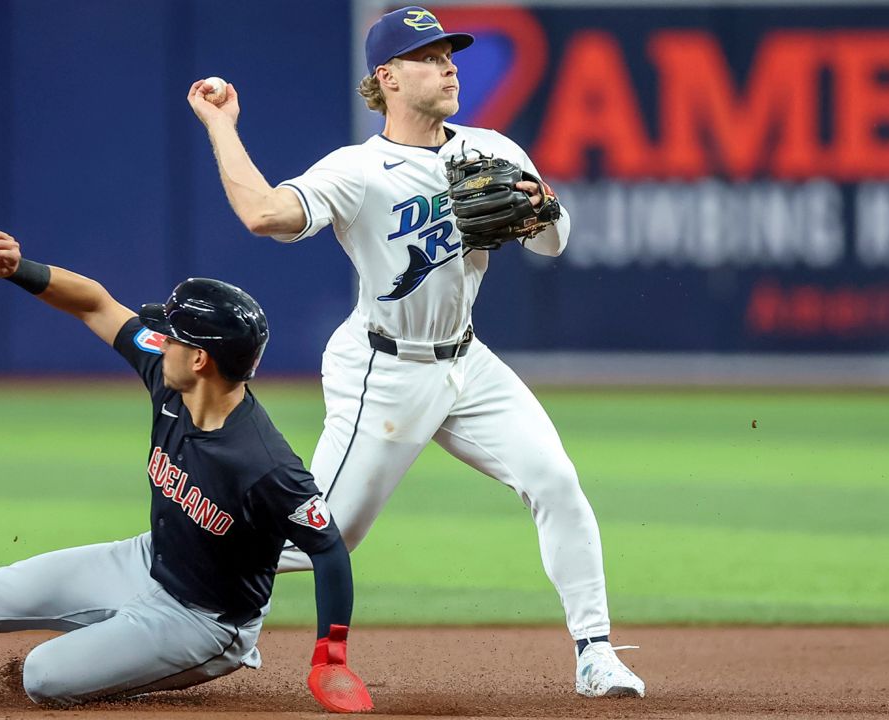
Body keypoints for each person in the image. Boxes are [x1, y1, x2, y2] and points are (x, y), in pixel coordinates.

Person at [187, 5, 645, 698]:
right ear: (388, 78)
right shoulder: (359, 170)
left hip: (467, 361)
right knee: (322, 539)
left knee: (555, 482)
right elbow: (263, 214)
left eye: (449, 54)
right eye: (429, 57)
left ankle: (595, 654)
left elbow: (554, 243)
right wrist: (222, 126)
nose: (449, 65)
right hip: (384, 369)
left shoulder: (491, 149)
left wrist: (545, 209)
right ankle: (183, 580)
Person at [0, 230, 373, 713]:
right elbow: (95, 303)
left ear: (200, 359)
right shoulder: (168, 381)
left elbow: (329, 548)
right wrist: (23, 270)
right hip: (142, 561)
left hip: (203, 624)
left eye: (171, 337)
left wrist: (332, 657)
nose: (157, 339)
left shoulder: (263, 465)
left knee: (43, 676)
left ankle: (135, 663)